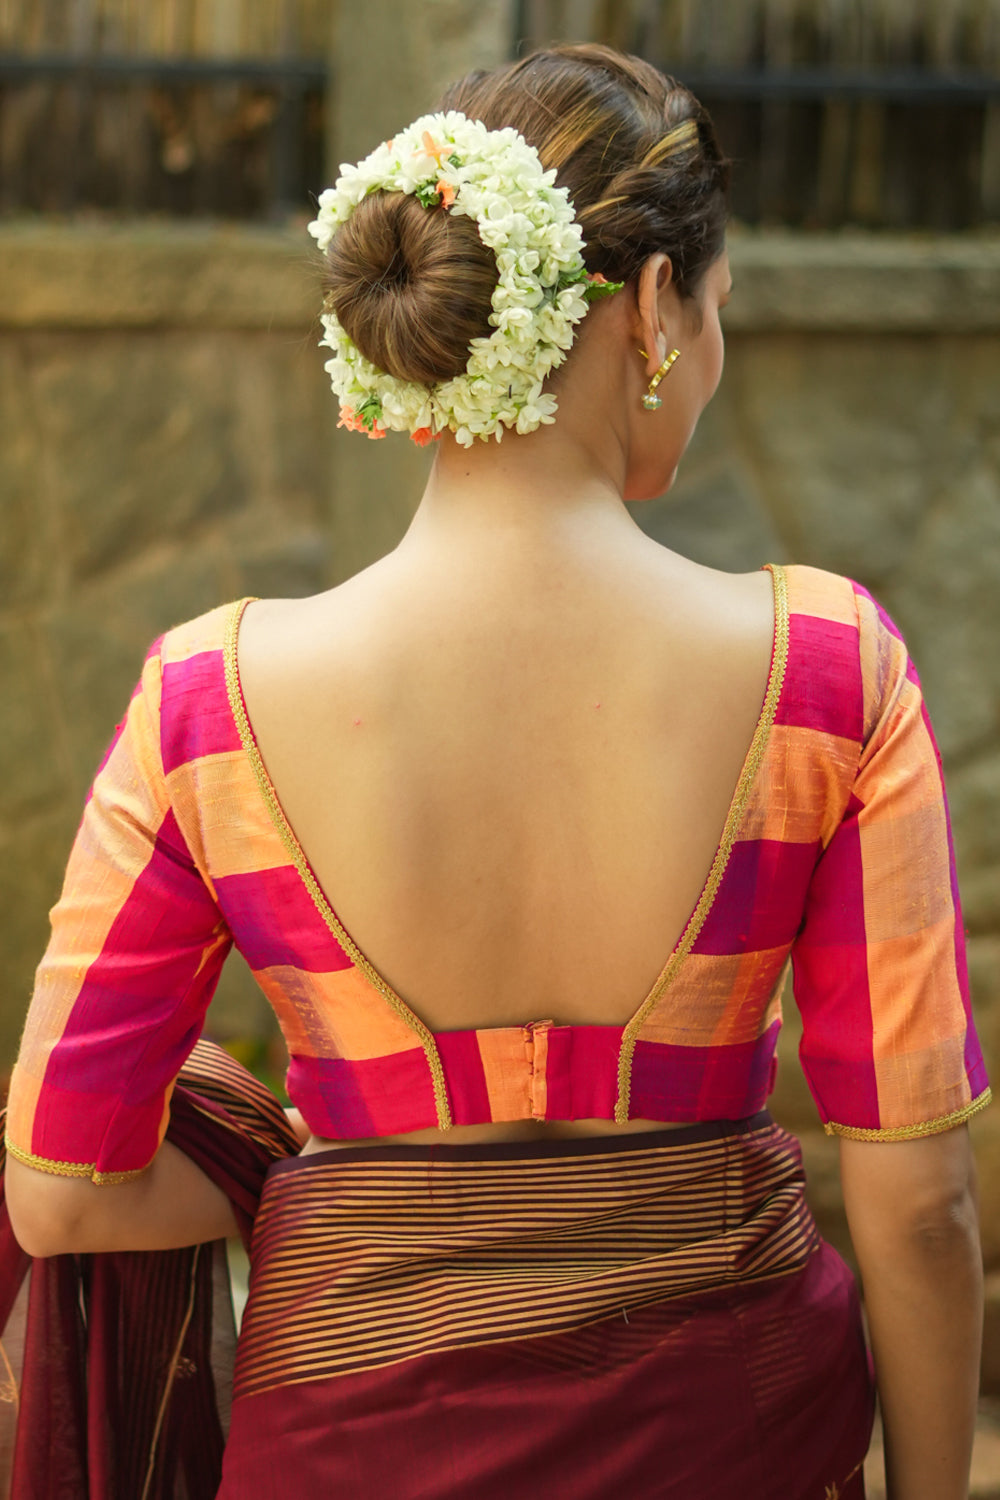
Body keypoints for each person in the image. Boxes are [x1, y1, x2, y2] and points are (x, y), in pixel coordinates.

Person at [1, 41, 989, 1500]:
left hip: (342, 1457)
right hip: (733, 1447)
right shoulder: (832, 678)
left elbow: (60, 1194)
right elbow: (915, 1205)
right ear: (657, 305)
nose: (711, 363)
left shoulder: (204, 704)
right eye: (721, 314)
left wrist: (335, 1202)